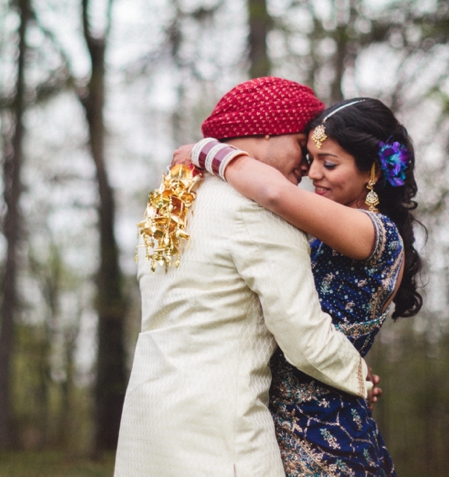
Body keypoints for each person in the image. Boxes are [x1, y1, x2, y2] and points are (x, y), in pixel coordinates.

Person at [115, 78, 378, 477]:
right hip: (220, 436)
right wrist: (358, 375)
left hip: (146, 423)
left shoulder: (170, 201)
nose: (307, 167)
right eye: (301, 145)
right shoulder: (255, 212)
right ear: (268, 130)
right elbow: (303, 336)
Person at [179, 97, 423, 476]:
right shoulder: (332, 233)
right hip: (280, 427)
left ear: (372, 169)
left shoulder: (374, 231)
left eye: (329, 163)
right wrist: (356, 367)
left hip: (327, 442)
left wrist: (205, 151)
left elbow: (275, 193)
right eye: (310, 160)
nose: (313, 174)